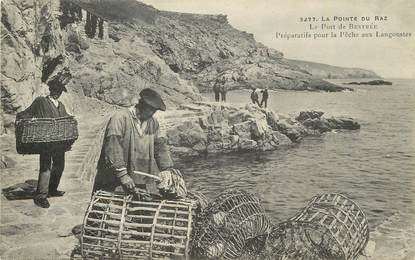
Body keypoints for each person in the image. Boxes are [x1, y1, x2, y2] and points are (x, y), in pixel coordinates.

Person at [92, 88, 176, 195]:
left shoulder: (153, 123)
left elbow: (160, 147)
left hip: (139, 177)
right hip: (114, 178)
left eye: (155, 111)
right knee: (113, 204)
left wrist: (167, 169)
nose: (153, 113)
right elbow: (113, 147)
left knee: (140, 205)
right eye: (151, 110)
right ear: (142, 105)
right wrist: (122, 175)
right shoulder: (120, 118)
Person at [17, 78, 71, 208]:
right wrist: (20, 119)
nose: (56, 93)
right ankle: (41, 196)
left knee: (60, 165)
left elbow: (65, 118)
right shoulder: (41, 101)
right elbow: (27, 113)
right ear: (50, 90)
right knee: (46, 167)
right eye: (54, 90)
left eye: (59, 91)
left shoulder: (61, 105)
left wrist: (70, 119)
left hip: (59, 141)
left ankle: (52, 189)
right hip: (45, 140)